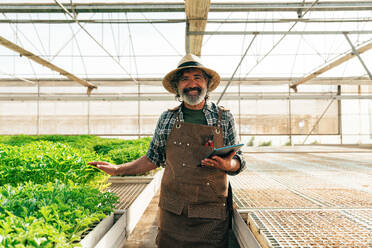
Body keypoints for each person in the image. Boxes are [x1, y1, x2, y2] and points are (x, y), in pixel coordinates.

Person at [89, 54, 246, 248]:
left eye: (197, 77)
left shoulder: (224, 118)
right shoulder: (168, 119)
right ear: (177, 87)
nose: (192, 84)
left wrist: (227, 164)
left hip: (210, 215)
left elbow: (239, 161)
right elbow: (152, 159)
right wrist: (117, 169)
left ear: (207, 82)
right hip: (174, 213)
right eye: (185, 79)